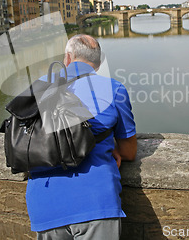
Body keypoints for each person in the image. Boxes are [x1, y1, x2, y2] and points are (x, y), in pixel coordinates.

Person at [26, 34, 137, 240]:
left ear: (67, 58)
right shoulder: (114, 90)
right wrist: (109, 146)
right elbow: (129, 152)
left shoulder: (37, 89)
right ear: (99, 62)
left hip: (44, 202)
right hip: (96, 202)